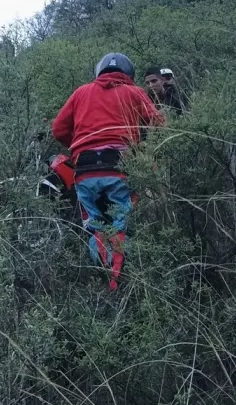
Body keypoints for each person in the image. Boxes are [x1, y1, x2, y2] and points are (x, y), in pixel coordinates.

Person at [51, 52, 165, 290]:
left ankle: (104, 282)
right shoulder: (134, 92)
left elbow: (58, 129)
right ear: (129, 73)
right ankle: (122, 285)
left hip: (84, 171)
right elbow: (159, 124)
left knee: (96, 228)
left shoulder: (81, 92)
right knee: (121, 226)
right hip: (119, 167)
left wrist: (83, 141)